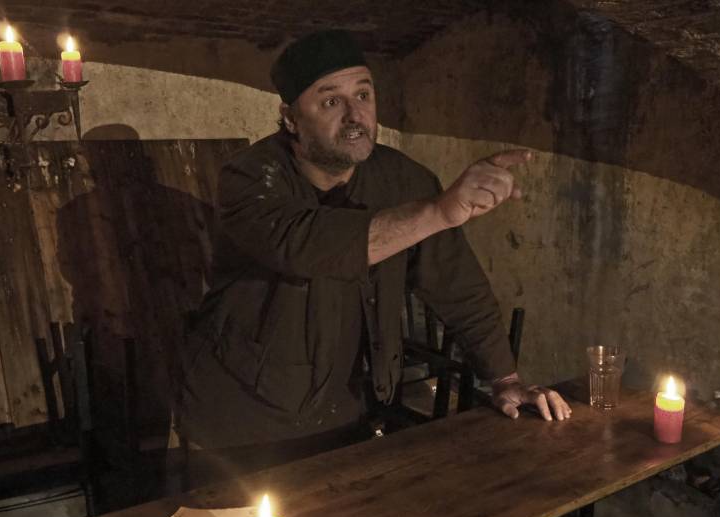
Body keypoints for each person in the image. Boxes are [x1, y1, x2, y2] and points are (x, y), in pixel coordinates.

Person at [175, 29, 571, 481]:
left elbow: (456, 283)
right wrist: (438, 212)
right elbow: (307, 245)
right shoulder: (250, 178)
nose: (354, 115)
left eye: (363, 95)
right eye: (331, 101)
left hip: (348, 412)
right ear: (290, 119)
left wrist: (504, 379)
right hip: (245, 423)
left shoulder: (403, 180)